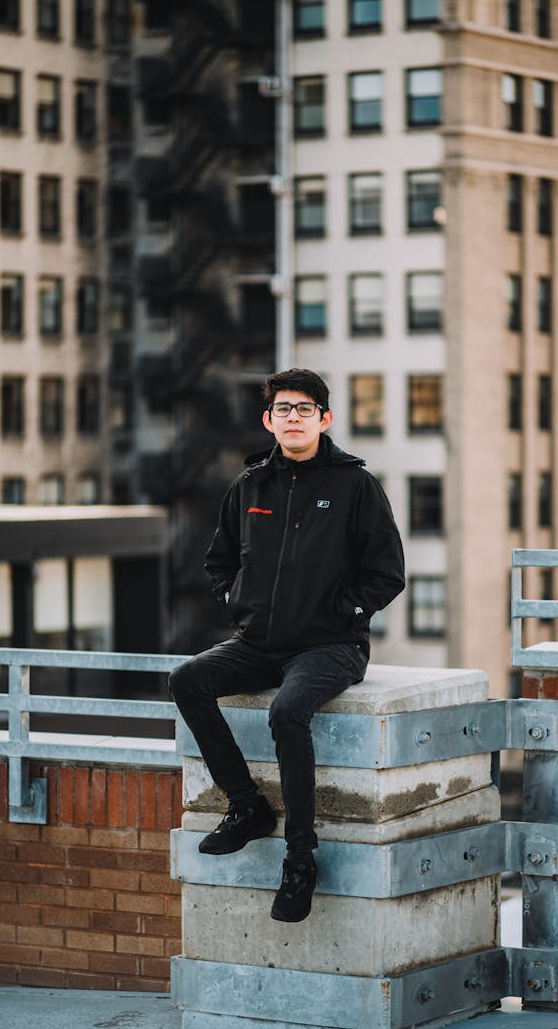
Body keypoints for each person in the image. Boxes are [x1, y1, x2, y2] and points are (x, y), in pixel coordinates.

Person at [168, 368, 405, 923]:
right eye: (282, 409)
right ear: (268, 420)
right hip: (258, 642)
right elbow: (218, 560)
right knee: (187, 680)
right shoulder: (251, 486)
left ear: (324, 419)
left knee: (289, 710)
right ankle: (246, 806)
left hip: (330, 646)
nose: (292, 417)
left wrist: (342, 612)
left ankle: (300, 857)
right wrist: (238, 601)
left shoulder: (355, 486)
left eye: (303, 408)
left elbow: (387, 572)